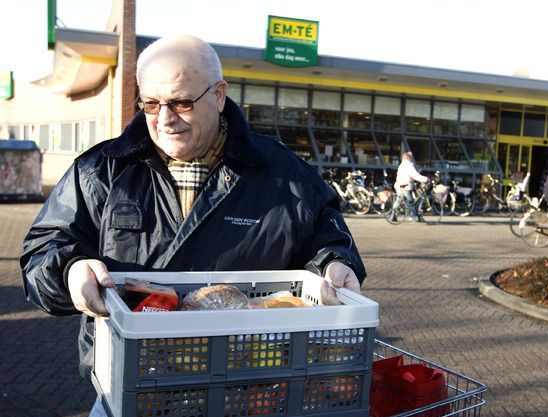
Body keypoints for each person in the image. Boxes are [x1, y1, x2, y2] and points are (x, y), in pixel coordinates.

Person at [20, 35, 365, 416]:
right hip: (130, 390)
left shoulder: (286, 177)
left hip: (250, 396)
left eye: (181, 102)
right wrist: (69, 271)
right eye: (150, 103)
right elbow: (43, 250)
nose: (165, 119)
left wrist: (336, 263)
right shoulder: (101, 170)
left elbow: (327, 237)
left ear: (219, 96)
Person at [390, 151, 429, 222]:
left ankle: (393, 216)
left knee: (398, 200)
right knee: (411, 201)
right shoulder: (409, 165)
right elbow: (415, 175)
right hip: (406, 186)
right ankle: (415, 217)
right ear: (409, 158)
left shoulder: (401, 165)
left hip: (398, 185)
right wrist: (425, 179)